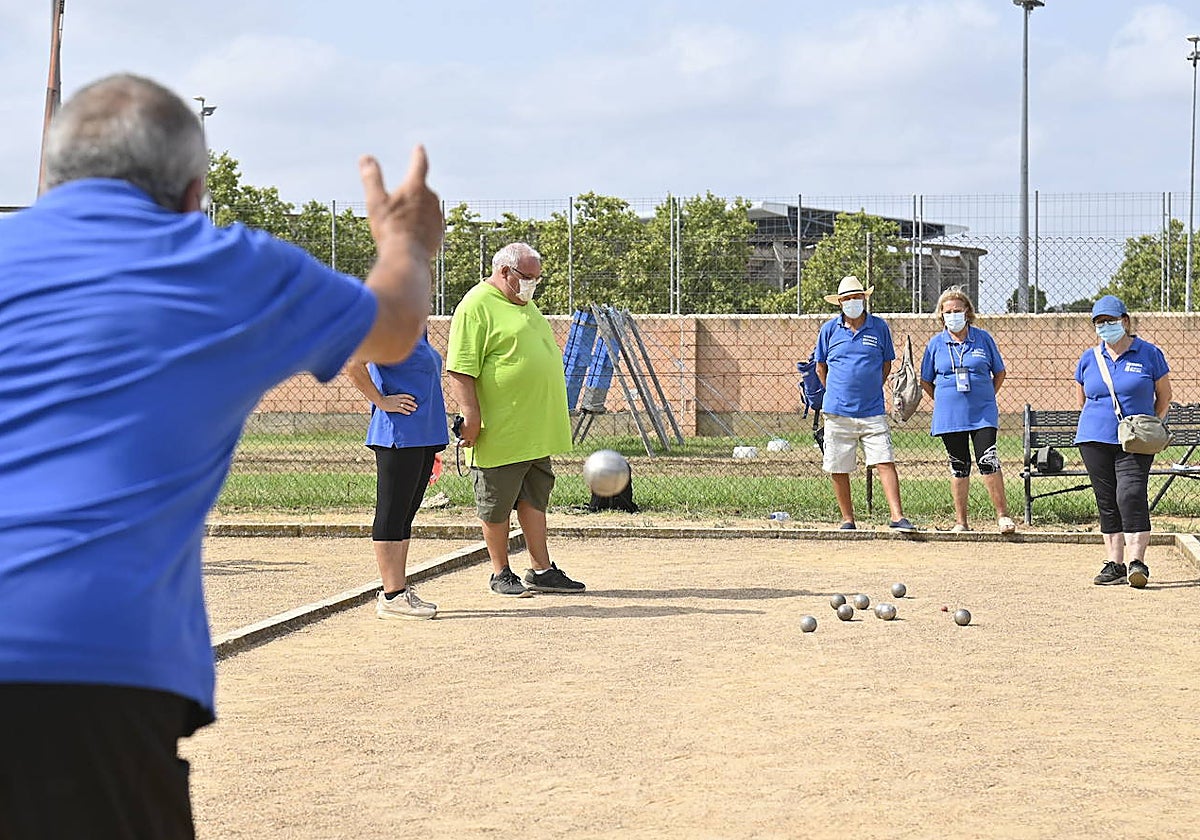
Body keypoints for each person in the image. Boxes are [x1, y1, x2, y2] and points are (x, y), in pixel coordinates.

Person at [0, 73, 443, 838]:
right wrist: (405, 243)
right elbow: (395, 327)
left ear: (52, 173)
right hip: (85, 669)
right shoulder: (224, 265)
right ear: (194, 191)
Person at [446, 242, 586, 597]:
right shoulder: (476, 306)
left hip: (533, 430)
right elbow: (461, 368)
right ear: (504, 272)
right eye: (527, 278)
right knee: (496, 503)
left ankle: (541, 569)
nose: (532, 285)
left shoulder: (523, 303)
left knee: (534, 499)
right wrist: (471, 417)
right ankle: (500, 571)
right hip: (500, 431)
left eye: (537, 279)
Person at [345, 333, 449, 620]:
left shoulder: (417, 327)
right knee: (391, 513)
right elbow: (354, 364)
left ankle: (399, 591)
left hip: (422, 435)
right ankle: (391, 596)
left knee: (405, 514)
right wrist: (381, 400)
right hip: (398, 434)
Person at [1074, 295, 1172, 588]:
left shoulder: (1149, 353)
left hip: (1135, 440)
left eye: (1110, 321)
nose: (1105, 327)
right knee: (1107, 500)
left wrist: (1145, 425)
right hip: (1094, 437)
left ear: (1125, 321)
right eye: (1099, 322)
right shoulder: (1089, 358)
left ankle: (1137, 561)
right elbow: (1082, 398)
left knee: (1130, 494)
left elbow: (1164, 396)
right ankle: (1115, 563)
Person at [814, 276, 916, 532]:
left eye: (856, 297)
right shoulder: (828, 330)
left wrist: (869, 387)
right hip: (837, 411)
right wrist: (836, 391)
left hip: (872, 410)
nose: (852, 302)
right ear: (840, 302)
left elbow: (886, 364)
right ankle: (847, 519)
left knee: (884, 459)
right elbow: (820, 367)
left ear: (864, 299)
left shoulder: (879, 327)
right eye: (847, 298)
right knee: (838, 465)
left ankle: (897, 517)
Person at [919, 288, 1017, 534]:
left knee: (988, 460)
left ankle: (1003, 516)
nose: (953, 315)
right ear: (941, 315)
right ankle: (961, 522)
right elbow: (926, 380)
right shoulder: (935, 344)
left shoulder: (983, 339)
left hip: (982, 412)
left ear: (967, 312)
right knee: (959, 465)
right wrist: (942, 399)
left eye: (957, 311)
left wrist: (985, 395)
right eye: (948, 312)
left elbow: (1000, 373)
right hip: (949, 415)